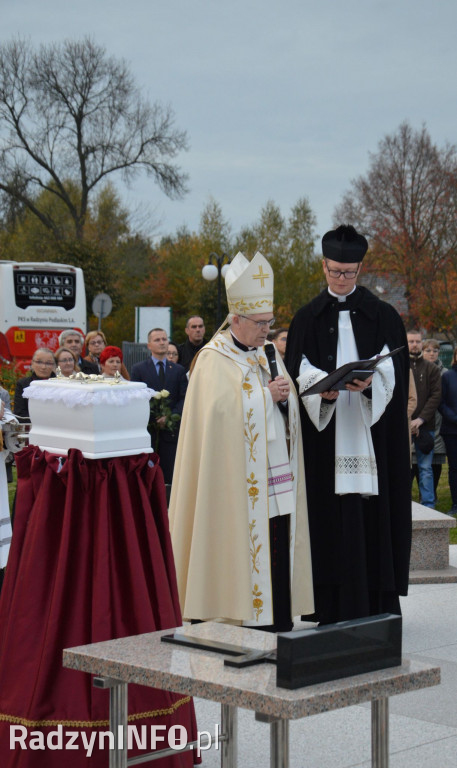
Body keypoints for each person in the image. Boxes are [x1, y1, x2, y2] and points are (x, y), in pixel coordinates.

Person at [169, 252, 314, 631]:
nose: (267, 330)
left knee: (276, 537)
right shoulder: (212, 358)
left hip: (274, 474)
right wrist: (266, 397)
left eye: (270, 322)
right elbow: (217, 416)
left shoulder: (269, 354)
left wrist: (285, 400)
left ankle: (276, 615)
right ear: (236, 319)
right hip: (232, 481)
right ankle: (233, 610)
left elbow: (286, 405)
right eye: (260, 323)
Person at [285, 224, 411, 625]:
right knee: (329, 517)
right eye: (336, 271)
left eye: (350, 272)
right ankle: (328, 604)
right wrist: (319, 390)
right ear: (323, 266)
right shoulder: (306, 318)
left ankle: (377, 602)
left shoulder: (383, 315)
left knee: (370, 517)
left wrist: (372, 384)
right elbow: (297, 370)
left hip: (370, 434)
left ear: (360, 269)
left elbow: (394, 369)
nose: (342, 279)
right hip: (325, 439)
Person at [131, 329, 187, 484]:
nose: (162, 342)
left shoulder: (178, 370)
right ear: (149, 345)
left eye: (164, 339)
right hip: (148, 431)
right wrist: (153, 418)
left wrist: (170, 416)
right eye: (157, 340)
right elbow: (136, 399)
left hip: (171, 433)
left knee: (169, 475)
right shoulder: (139, 369)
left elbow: (184, 398)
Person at [407, 330, 442, 508]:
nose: (415, 344)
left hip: (425, 426)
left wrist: (420, 419)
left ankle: (428, 505)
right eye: (411, 341)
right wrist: (407, 420)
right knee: (401, 467)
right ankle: (401, 505)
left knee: (426, 469)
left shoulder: (431, 369)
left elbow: (436, 396)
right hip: (403, 425)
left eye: (417, 341)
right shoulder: (399, 366)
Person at [421, 338, 446, 496]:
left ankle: (433, 495)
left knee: (436, 461)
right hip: (419, 420)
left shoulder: (445, 373)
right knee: (416, 463)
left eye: (435, 351)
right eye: (428, 351)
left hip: (439, 421)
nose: (431, 354)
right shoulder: (415, 370)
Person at [439, 347, 457, 515]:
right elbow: (441, 403)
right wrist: (454, 418)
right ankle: (455, 503)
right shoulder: (447, 376)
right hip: (452, 431)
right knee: (454, 468)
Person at [14, 348, 56, 419]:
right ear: (32, 364)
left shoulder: (60, 385)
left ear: (54, 366)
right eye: (39, 362)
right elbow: (20, 414)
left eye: (48, 363)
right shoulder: (23, 385)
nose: (43, 367)